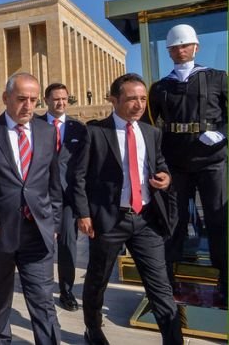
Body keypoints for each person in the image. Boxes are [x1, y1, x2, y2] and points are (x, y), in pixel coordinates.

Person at [72, 73, 182, 345]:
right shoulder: (96, 131)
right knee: (97, 280)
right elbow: (78, 177)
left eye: (143, 98)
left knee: (160, 286)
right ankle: (93, 329)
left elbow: (160, 165)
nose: (139, 104)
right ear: (114, 100)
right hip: (109, 221)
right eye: (132, 98)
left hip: (145, 220)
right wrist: (83, 213)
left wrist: (165, 179)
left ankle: (173, 339)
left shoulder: (151, 132)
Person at [0, 73, 62, 345]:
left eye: (34, 100)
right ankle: (1, 340)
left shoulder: (47, 132)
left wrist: (54, 222)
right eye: (21, 99)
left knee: (43, 299)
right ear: (5, 98)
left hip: (38, 230)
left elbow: (54, 182)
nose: (28, 106)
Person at [145, 24, 227, 304]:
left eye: (184, 45)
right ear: (168, 51)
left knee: (217, 220)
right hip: (175, 163)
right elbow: (149, 125)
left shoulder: (217, 78)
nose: (179, 50)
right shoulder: (160, 87)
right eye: (174, 47)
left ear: (195, 47)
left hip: (212, 161)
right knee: (174, 222)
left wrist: (222, 133)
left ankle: (224, 279)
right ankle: (167, 281)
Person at [39, 83, 87, 312]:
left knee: (67, 244)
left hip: (67, 198)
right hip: (40, 195)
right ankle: (41, 288)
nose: (60, 103)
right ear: (46, 100)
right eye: (56, 99)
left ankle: (66, 291)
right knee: (41, 243)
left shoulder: (78, 128)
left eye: (64, 99)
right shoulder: (34, 125)